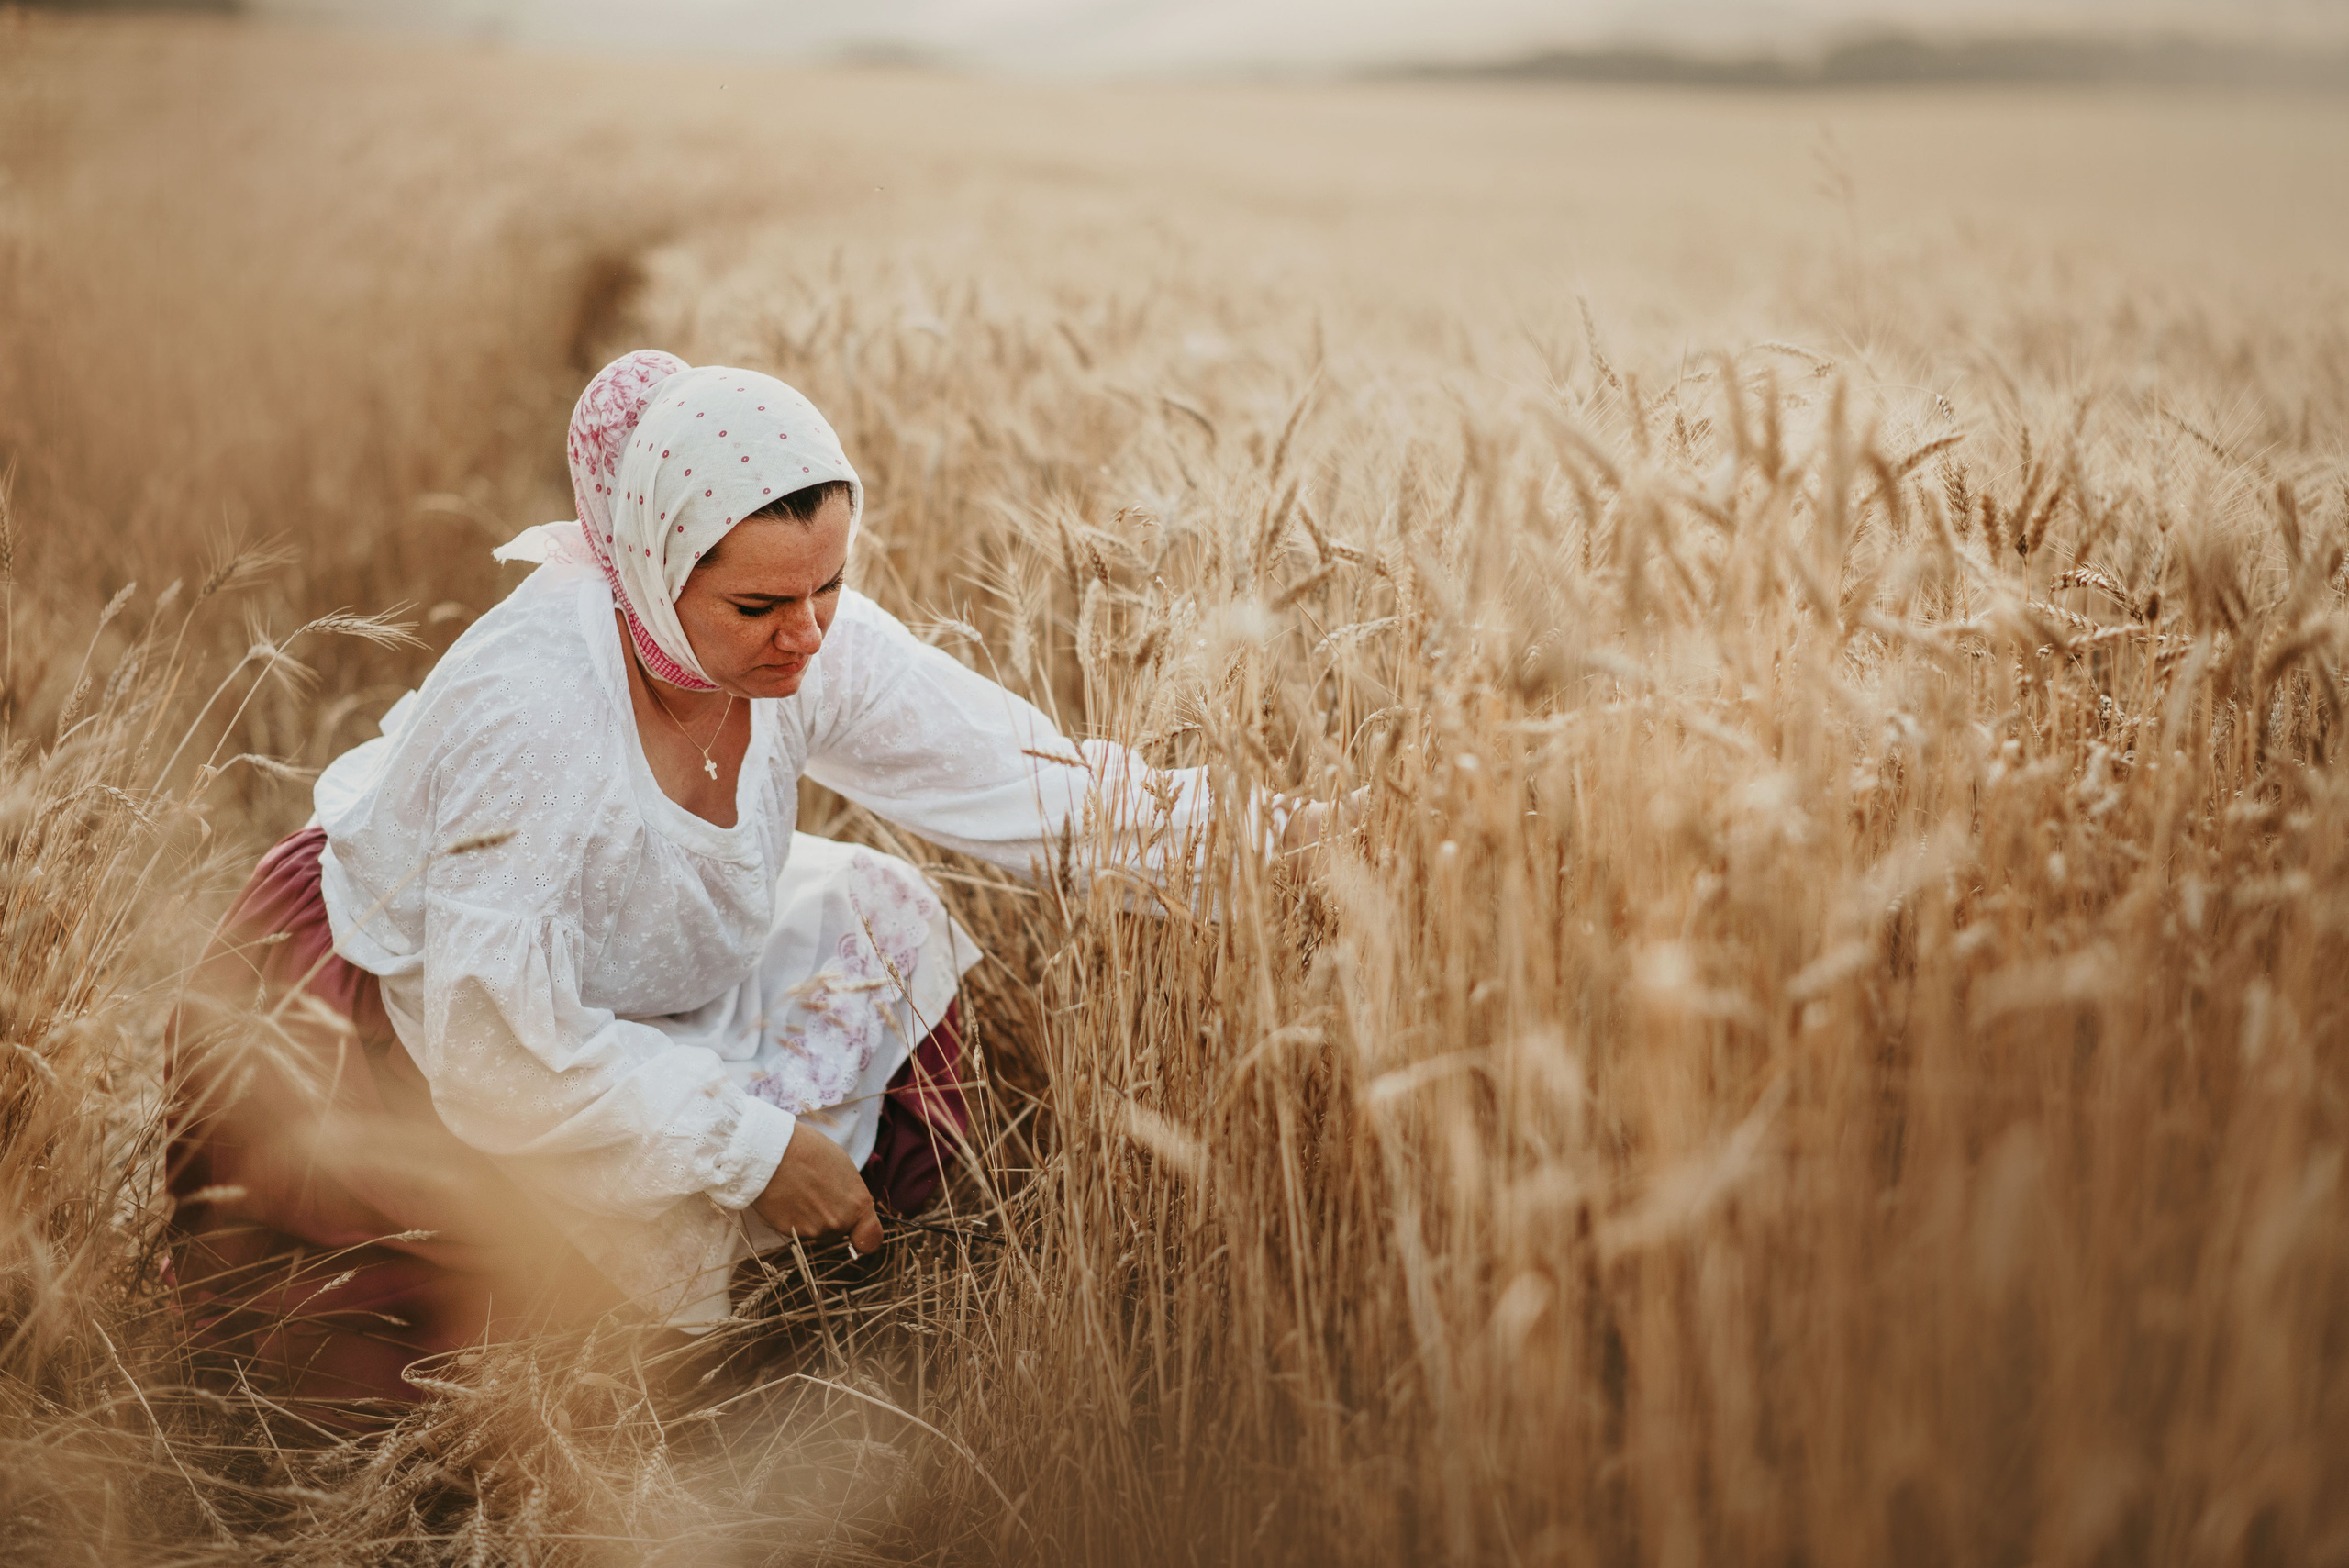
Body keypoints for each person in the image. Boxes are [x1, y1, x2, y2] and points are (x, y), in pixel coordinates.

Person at [167, 350, 1317, 1404]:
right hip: (407, 1002)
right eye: (760, 605)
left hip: (616, 955)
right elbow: (503, 1054)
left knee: (879, 926)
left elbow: (1034, 784)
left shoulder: (807, 635)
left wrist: (1307, 840)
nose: (808, 635)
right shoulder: (533, 722)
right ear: (652, 570)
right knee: (473, 1380)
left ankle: (826, 1307)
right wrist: (754, 1150)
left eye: (829, 586)